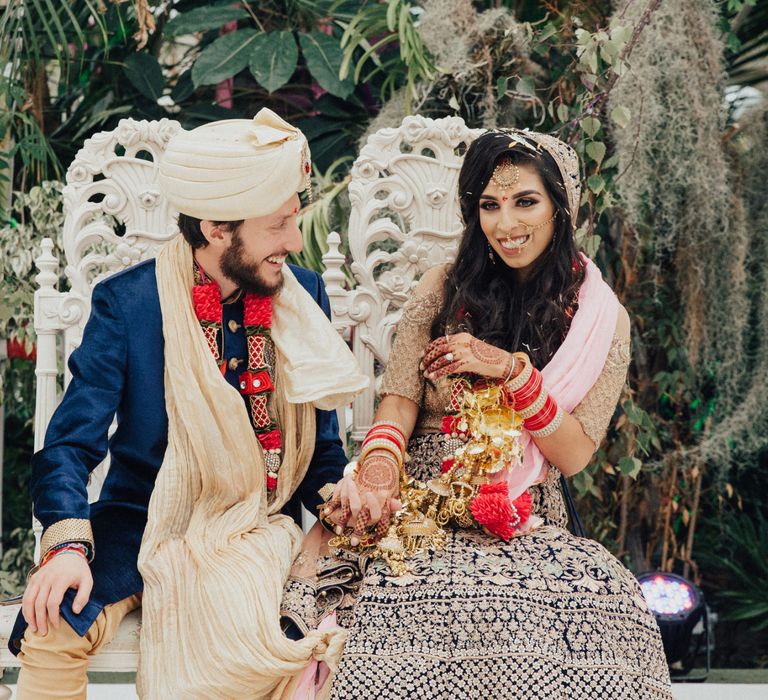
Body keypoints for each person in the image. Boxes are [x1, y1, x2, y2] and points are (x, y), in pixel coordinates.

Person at [283, 129, 673, 699]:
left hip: (523, 506)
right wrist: (377, 475)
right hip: (420, 497)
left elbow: (573, 453)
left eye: (525, 201)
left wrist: (510, 373)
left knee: (592, 608)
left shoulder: (600, 317)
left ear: (561, 206)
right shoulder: (443, 287)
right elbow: (400, 399)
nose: (506, 223)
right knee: (422, 601)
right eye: (490, 205)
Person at [9, 108, 368, 699]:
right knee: (52, 625)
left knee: (328, 635)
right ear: (216, 228)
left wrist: (340, 496)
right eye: (278, 225)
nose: (293, 241)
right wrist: (68, 547)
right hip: (141, 519)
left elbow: (318, 451)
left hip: (255, 526)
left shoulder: (302, 295)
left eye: (294, 220)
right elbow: (70, 445)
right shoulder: (129, 303)